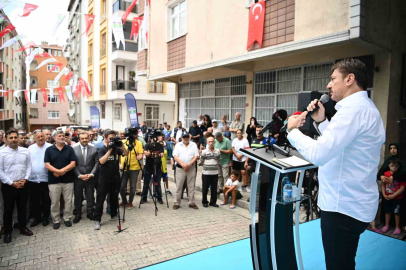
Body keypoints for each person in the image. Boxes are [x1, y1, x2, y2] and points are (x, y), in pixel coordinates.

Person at [287, 58, 385, 270]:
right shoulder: (363, 108)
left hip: (343, 207)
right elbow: (342, 145)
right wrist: (322, 121)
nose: (329, 85)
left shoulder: (353, 111)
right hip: (352, 202)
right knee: (343, 262)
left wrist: (292, 131)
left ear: (350, 79)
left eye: (333, 79)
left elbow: (320, 153)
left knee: (338, 265)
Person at [0, 130, 33, 243]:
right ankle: (8, 232)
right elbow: (0, 171)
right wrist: (12, 183)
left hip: (23, 184)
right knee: (8, 209)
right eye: (11, 138)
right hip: (9, 186)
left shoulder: (25, 151)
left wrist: (26, 178)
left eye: (15, 137)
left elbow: (29, 166)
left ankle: (23, 227)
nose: (13, 140)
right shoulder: (1, 153)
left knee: (22, 207)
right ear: (5, 139)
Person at [94, 130, 128, 230]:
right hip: (104, 178)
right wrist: (109, 150)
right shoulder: (102, 149)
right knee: (100, 199)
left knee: (114, 197)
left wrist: (121, 145)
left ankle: (114, 214)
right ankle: (97, 219)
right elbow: (101, 161)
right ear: (105, 138)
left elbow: (126, 154)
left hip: (115, 177)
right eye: (110, 138)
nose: (112, 140)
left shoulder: (117, 148)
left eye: (114, 137)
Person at [44, 130, 77, 230]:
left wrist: (62, 171)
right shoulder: (49, 150)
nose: (62, 137)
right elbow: (47, 165)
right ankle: (56, 220)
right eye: (60, 136)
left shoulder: (70, 149)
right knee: (54, 202)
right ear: (54, 138)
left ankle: (67, 218)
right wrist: (58, 172)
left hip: (68, 180)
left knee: (68, 201)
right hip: (54, 181)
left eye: (63, 136)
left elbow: (73, 163)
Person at [72, 132, 98, 223]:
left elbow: (97, 163)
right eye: (82, 138)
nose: (84, 140)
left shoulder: (94, 148)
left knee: (90, 195)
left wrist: (92, 174)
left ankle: (90, 212)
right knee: (78, 196)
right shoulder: (73, 148)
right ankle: (78, 213)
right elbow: (72, 164)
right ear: (79, 139)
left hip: (90, 177)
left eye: (86, 138)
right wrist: (79, 175)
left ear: (89, 138)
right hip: (78, 177)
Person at [27, 131, 52, 227]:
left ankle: (45, 217)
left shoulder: (50, 147)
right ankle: (37, 218)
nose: (41, 138)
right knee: (34, 200)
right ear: (34, 138)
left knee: (46, 199)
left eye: (42, 136)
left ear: (45, 137)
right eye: (38, 137)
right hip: (33, 179)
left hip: (46, 178)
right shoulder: (30, 148)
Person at [172, 132, 199, 210]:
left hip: (191, 167)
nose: (186, 139)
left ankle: (192, 202)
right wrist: (183, 164)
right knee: (179, 186)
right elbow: (175, 157)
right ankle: (177, 202)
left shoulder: (193, 145)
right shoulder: (178, 145)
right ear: (181, 138)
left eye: (187, 137)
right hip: (180, 168)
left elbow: (196, 156)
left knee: (191, 186)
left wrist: (189, 164)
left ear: (189, 137)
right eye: (184, 137)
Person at [381, 159, 405, 235]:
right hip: (387, 197)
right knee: (387, 211)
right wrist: (384, 194)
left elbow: (402, 187)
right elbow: (383, 185)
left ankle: (397, 227)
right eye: (392, 165)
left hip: (397, 198)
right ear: (389, 166)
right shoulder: (386, 174)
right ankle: (386, 225)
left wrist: (394, 195)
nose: (394, 167)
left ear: (399, 167)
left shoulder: (401, 175)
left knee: (397, 212)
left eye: (396, 166)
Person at [120, 132, 143, 209]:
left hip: (135, 168)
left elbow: (140, 154)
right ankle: (124, 201)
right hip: (124, 168)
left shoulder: (138, 143)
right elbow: (120, 154)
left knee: (133, 186)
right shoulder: (123, 142)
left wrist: (139, 157)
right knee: (122, 186)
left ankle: (130, 202)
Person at [141, 130, 165, 204]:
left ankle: (159, 197)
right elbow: (146, 153)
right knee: (146, 182)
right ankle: (144, 197)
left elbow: (162, 155)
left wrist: (151, 153)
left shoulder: (160, 145)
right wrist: (155, 154)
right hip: (148, 166)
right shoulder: (147, 145)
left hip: (157, 166)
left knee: (157, 182)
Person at [200, 135, 220, 207]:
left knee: (214, 188)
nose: (211, 143)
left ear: (214, 142)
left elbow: (218, 159)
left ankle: (213, 202)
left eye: (212, 141)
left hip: (215, 172)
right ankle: (204, 201)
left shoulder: (217, 151)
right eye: (209, 141)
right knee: (205, 188)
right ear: (207, 142)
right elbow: (201, 161)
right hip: (206, 172)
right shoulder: (204, 152)